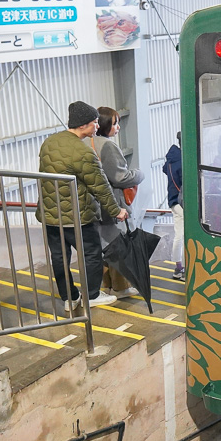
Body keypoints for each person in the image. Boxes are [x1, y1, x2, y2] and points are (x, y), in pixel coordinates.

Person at [38, 101, 127, 308]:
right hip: (77, 216)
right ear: (83, 125)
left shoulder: (49, 143)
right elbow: (100, 187)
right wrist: (116, 210)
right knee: (91, 255)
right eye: (95, 123)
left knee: (60, 258)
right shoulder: (83, 153)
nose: (97, 127)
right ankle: (93, 295)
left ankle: (69, 298)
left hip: (51, 216)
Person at [88, 106, 144, 298]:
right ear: (104, 125)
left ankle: (107, 285)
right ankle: (121, 288)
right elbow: (120, 177)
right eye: (115, 123)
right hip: (112, 202)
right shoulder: (107, 146)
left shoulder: (87, 142)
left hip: (94, 203)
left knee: (103, 245)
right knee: (119, 244)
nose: (118, 127)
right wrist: (139, 174)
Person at [164, 132, 184, 281]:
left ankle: (178, 267)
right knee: (181, 235)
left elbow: (165, 169)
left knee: (179, 234)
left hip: (173, 201)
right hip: (181, 202)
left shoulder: (172, 159)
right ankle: (180, 268)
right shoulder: (183, 161)